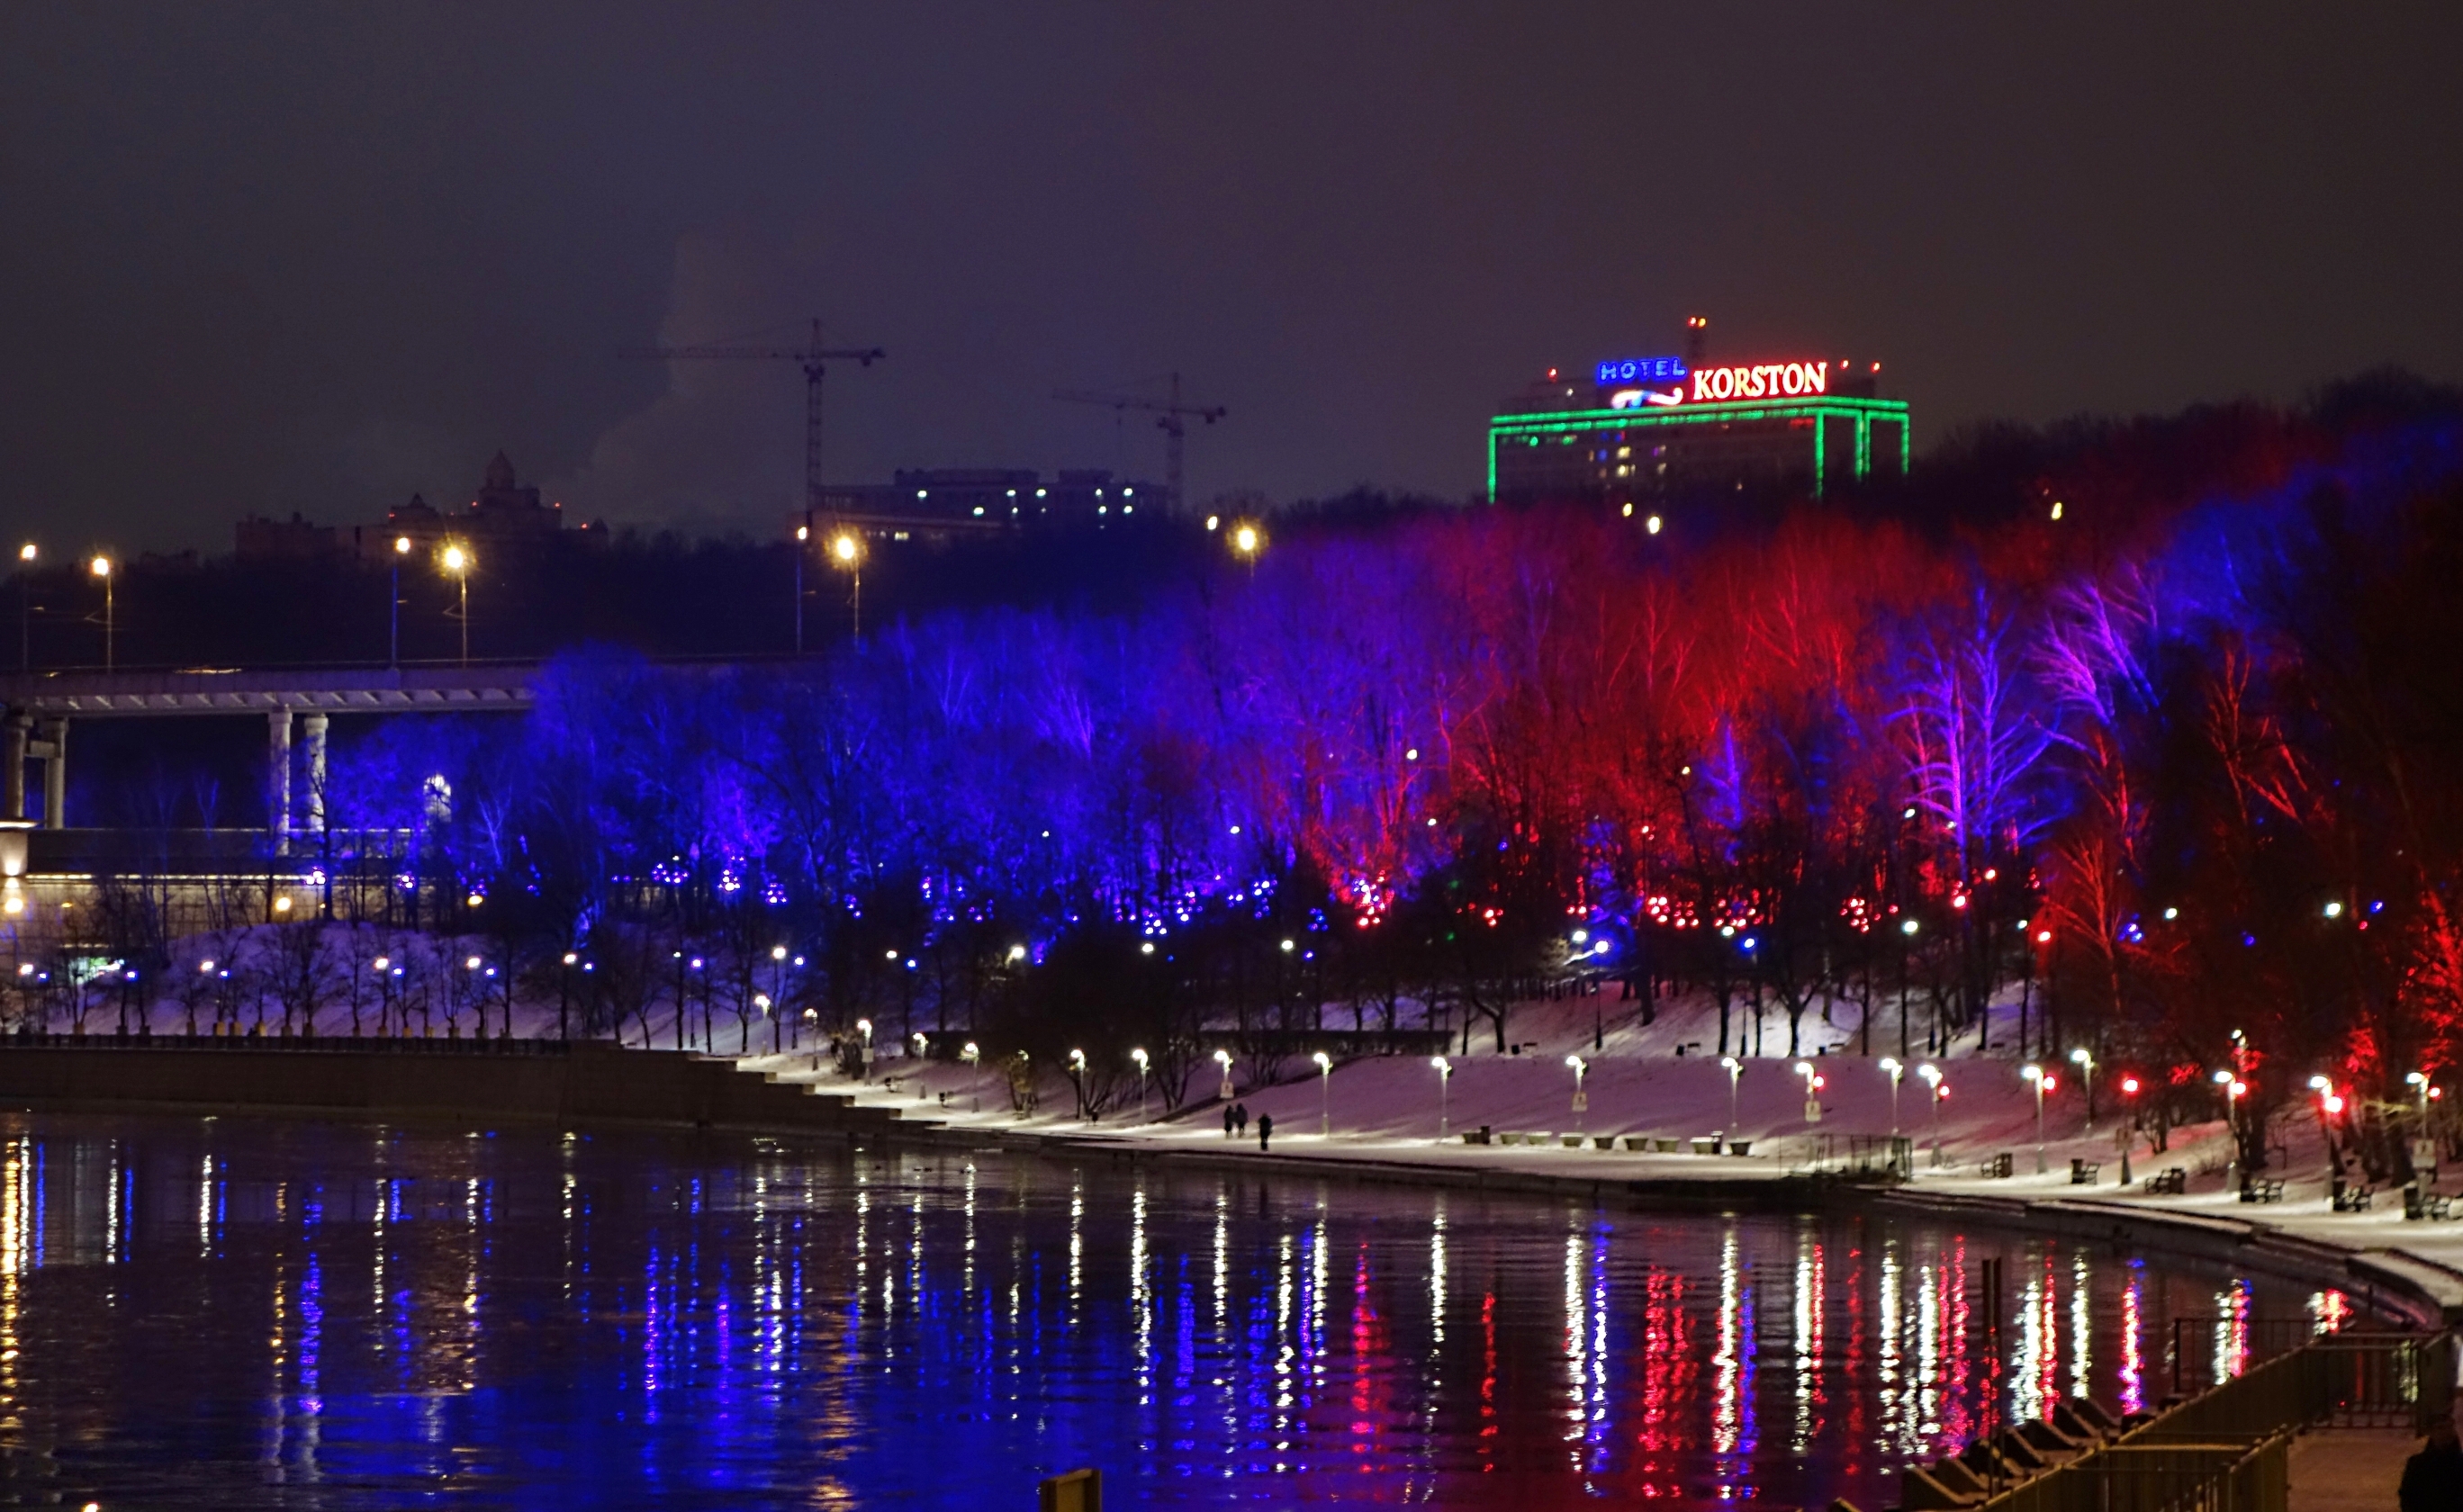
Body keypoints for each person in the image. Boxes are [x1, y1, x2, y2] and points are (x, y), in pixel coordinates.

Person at [2401, 1406, 2463, 1512]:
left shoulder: (2460, 1463)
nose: (2446, 1432)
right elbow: (2408, 1497)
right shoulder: (2418, 1464)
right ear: (2431, 1432)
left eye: (2449, 1427)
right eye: (2440, 1428)